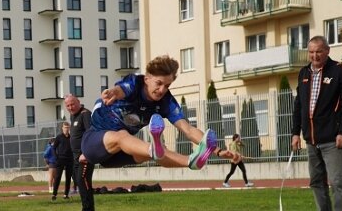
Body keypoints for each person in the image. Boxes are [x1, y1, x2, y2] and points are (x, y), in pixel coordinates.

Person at [80, 55, 238, 171]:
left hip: (119, 154)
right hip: (94, 142)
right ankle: (153, 149)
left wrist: (218, 150)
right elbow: (121, 90)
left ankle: (191, 161)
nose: (162, 90)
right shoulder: (134, 83)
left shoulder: (166, 101)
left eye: (167, 86)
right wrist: (114, 92)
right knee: (122, 136)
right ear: (147, 79)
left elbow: (188, 130)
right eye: (159, 83)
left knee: (155, 153)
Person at [292, 36, 342, 211]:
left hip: (332, 138)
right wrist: (295, 133)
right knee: (316, 182)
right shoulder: (304, 73)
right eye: (311, 52)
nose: (314, 56)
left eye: (318, 51)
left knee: (337, 182)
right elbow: (298, 106)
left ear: (327, 51)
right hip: (311, 139)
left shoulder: (339, 71)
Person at [65, 94, 96, 211]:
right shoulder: (73, 116)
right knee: (79, 181)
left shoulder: (85, 114)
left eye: (72, 104)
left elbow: (91, 133)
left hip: (85, 156)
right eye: (67, 105)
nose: (70, 107)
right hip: (76, 157)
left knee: (83, 181)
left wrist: (86, 152)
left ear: (78, 102)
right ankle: (86, 210)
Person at [51, 121, 73, 201]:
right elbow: (53, 148)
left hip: (70, 160)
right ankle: (54, 194)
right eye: (65, 128)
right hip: (60, 159)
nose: (66, 129)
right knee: (57, 177)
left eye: (68, 128)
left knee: (68, 178)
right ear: (62, 128)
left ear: (69, 128)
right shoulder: (59, 137)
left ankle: (66, 194)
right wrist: (56, 157)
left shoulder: (71, 137)